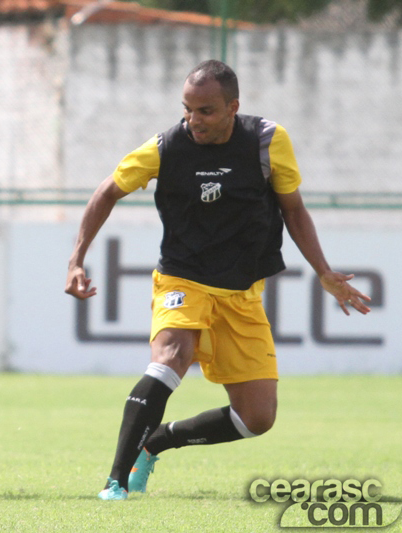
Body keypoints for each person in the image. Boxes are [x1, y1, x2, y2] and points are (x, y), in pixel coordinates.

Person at [64, 59, 371, 501]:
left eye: (205, 110)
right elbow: (107, 191)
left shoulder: (267, 141)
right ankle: (116, 481)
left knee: (257, 419)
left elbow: (293, 208)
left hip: (242, 293)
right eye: (187, 109)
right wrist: (76, 259)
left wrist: (324, 271)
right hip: (182, 280)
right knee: (171, 356)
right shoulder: (165, 147)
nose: (194, 120)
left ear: (233, 107)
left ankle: (156, 442)